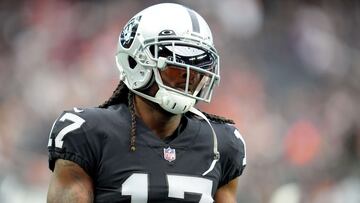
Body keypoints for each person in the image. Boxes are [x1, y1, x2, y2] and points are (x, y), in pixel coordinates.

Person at [46, 3, 246, 203]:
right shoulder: (87, 133)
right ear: (135, 61)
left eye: (196, 68)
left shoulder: (222, 143)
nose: (189, 78)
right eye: (175, 67)